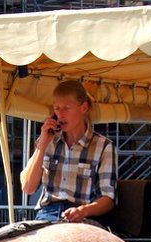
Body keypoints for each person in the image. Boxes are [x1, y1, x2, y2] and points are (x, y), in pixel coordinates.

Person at [20, 80, 117, 223]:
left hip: (83, 216)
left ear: (84, 107)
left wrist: (83, 210)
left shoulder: (104, 146)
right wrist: (42, 145)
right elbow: (28, 188)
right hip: (47, 214)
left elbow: (108, 199)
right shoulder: (47, 141)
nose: (61, 114)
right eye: (57, 108)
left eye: (66, 108)